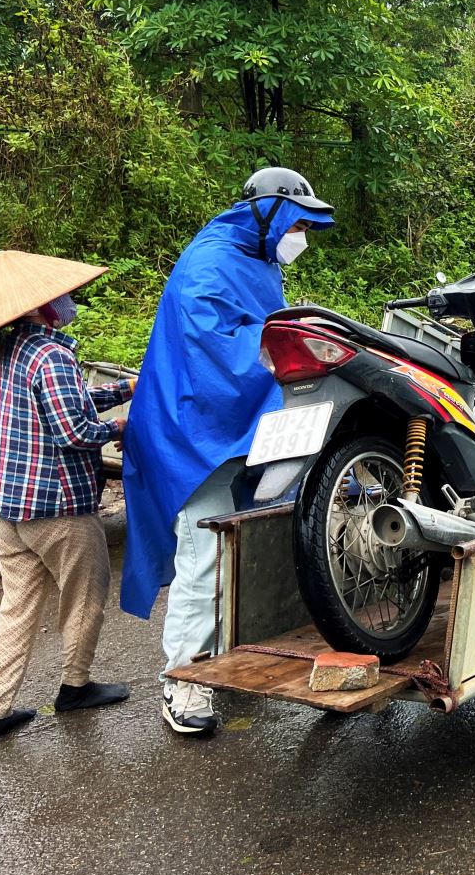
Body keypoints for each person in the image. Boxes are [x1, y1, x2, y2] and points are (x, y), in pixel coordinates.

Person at [120, 166, 334, 736]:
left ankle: (227, 661)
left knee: (246, 547)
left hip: (231, 424)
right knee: (205, 556)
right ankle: (184, 683)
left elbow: (260, 327)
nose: (301, 238)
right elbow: (218, 349)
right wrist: (287, 347)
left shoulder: (253, 258)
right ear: (270, 213)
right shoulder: (211, 262)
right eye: (298, 224)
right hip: (192, 431)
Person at [0, 251, 134, 740]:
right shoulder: (53, 354)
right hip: (57, 506)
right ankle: (74, 687)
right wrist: (125, 423)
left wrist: (123, 388)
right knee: (86, 594)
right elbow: (75, 429)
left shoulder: (10, 350)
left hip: (10, 506)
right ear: (40, 306)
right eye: (61, 296)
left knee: (17, 606)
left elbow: (61, 404)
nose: (69, 301)